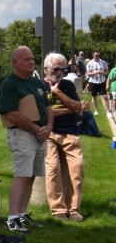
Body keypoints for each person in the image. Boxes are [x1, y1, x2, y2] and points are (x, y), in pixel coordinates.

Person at [0, 46, 53, 233]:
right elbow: (11, 114)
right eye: (26, 59)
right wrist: (37, 129)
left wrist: (48, 128)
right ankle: (12, 218)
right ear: (15, 62)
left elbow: (48, 107)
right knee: (22, 175)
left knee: (31, 176)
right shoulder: (10, 84)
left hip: (40, 135)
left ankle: (22, 214)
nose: (31, 62)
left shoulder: (36, 82)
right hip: (23, 135)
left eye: (32, 59)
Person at [42, 53, 86, 222]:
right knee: (53, 169)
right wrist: (70, 110)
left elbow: (77, 106)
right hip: (49, 133)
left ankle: (74, 209)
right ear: (46, 69)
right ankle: (58, 209)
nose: (60, 72)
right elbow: (43, 113)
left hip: (70, 132)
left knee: (78, 168)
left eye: (63, 69)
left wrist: (58, 92)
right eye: (56, 69)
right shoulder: (39, 86)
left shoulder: (67, 85)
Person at [84, 50, 109, 116]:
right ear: (93, 55)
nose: (97, 57)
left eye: (99, 55)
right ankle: (96, 111)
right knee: (94, 96)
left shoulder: (103, 62)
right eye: (96, 56)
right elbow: (88, 73)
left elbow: (107, 72)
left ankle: (108, 111)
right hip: (93, 81)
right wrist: (95, 73)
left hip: (102, 81)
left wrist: (103, 73)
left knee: (105, 96)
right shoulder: (90, 63)